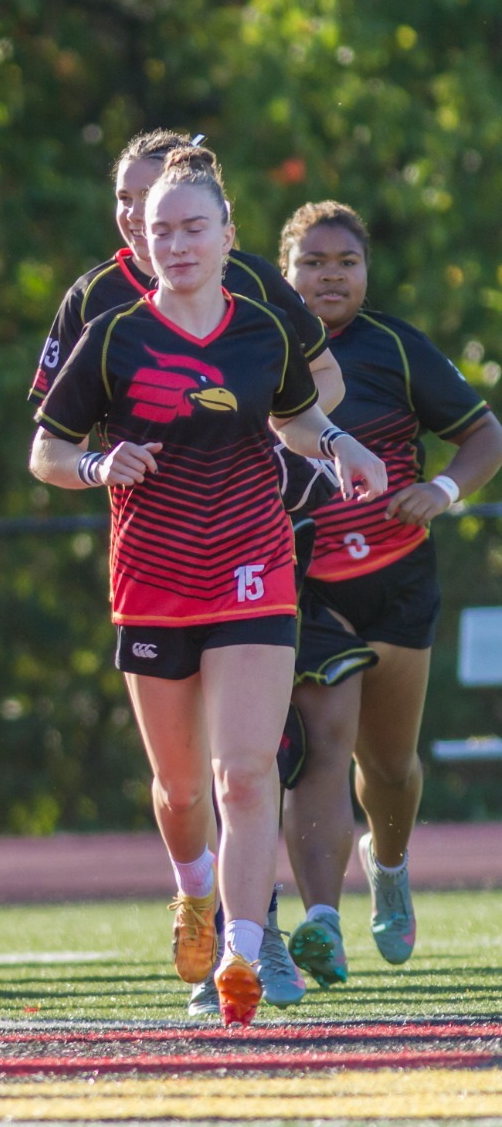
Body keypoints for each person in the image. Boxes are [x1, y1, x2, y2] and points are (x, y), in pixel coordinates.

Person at [29, 146, 386, 1026]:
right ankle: (194, 895)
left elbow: (298, 416)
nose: (179, 244)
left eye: (195, 227)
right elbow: (44, 453)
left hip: (254, 568)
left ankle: (240, 949)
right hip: (152, 578)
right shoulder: (112, 332)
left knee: (244, 773)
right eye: (162, 231)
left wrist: (341, 446)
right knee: (184, 788)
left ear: (229, 235)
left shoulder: (265, 328)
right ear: (142, 242)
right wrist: (98, 462)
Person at [279, 201, 501, 986]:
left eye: (345, 261)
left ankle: (391, 862)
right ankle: (322, 923)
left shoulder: (396, 347)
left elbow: (485, 435)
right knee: (322, 754)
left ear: (366, 272)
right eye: (312, 261)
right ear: (286, 271)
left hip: (400, 581)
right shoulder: (261, 348)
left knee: (392, 765)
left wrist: (441, 488)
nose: (329, 275)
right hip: (310, 592)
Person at [27, 130, 343, 413]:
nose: (134, 214)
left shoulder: (252, 278)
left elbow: (327, 375)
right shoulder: (89, 298)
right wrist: (100, 464)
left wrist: (274, 439)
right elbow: (56, 444)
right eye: (124, 198)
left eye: (148, 195)